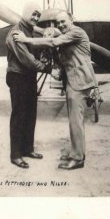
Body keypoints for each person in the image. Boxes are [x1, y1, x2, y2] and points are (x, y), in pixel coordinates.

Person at [13, 10, 98, 170]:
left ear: (72, 19)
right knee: (75, 121)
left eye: (63, 21)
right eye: (58, 23)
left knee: (75, 122)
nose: (61, 25)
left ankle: (78, 159)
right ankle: (76, 152)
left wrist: (26, 39)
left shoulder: (77, 32)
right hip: (72, 82)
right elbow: (57, 53)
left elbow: (53, 43)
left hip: (79, 83)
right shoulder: (66, 38)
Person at [6, 2, 51, 169]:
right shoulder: (16, 32)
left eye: (38, 15)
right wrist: (47, 68)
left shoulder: (31, 32)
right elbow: (27, 59)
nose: (36, 17)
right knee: (19, 115)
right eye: (33, 14)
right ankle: (16, 155)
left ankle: (27, 149)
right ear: (25, 13)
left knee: (30, 114)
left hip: (29, 77)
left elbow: (36, 54)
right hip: (18, 77)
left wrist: (46, 51)